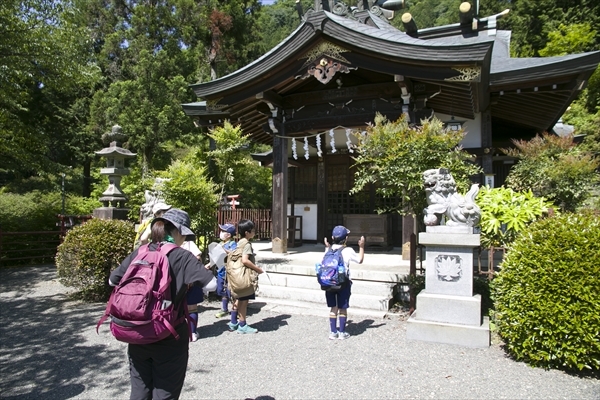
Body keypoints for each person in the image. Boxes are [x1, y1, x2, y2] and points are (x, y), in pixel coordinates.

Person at [109, 208, 216, 400]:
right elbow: (212, 284)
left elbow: (112, 280)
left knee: (139, 389)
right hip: (168, 333)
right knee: (165, 391)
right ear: (178, 232)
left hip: (136, 331)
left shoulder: (140, 252)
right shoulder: (182, 256)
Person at [323, 225, 365, 340]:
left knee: (333, 308)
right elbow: (360, 260)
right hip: (343, 283)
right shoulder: (348, 250)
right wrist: (361, 246)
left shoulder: (328, 250)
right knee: (342, 308)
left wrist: (327, 247)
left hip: (329, 282)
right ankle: (342, 332)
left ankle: (333, 332)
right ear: (346, 238)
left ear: (332, 237)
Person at [228, 219, 263, 334]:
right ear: (247, 232)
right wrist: (258, 269)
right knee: (244, 301)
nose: (254, 232)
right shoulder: (247, 244)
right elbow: (245, 260)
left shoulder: (239, 242)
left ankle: (233, 322)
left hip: (236, 276)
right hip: (244, 276)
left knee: (238, 299)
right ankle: (242, 324)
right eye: (253, 230)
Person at [181, 236, 204, 342]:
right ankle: (192, 332)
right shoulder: (189, 244)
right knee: (192, 308)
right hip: (191, 279)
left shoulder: (169, 243)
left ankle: (182, 332)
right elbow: (198, 258)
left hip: (177, 279)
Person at [211, 224, 237, 318]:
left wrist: (224, 250)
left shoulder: (232, 244)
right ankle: (224, 309)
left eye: (223, 231)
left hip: (229, 272)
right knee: (221, 290)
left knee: (231, 291)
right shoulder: (221, 244)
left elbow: (234, 254)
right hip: (221, 271)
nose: (221, 233)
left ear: (229, 235)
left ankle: (235, 310)